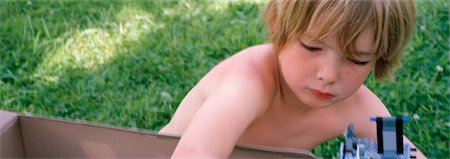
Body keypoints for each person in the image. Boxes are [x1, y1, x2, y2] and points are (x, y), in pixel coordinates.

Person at [159, 0, 426, 158]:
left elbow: (402, 152)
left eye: (357, 60)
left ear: (380, 58)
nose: (329, 75)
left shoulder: (361, 108)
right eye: (312, 47)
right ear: (277, 25)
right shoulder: (246, 85)